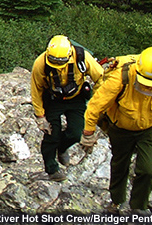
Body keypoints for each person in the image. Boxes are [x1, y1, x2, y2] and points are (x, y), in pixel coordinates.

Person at [80, 46, 152, 212]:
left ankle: (138, 207)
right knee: (120, 164)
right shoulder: (120, 78)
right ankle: (116, 201)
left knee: (149, 170)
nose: (149, 88)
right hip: (120, 127)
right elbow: (94, 106)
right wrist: (88, 133)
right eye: (145, 83)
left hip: (151, 126)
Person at [31, 35, 104, 181]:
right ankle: (52, 169)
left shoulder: (82, 57)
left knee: (77, 133)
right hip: (53, 99)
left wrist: (95, 104)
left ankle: (62, 147)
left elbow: (101, 78)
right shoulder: (41, 63)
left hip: (76, 97)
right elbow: (36, 90)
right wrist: (40, 116)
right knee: (52, 134)